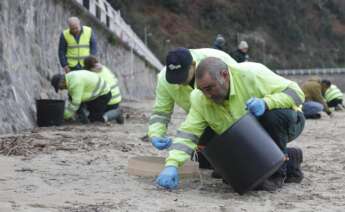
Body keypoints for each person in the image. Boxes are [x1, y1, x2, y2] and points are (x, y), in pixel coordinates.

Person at [155, 57, 305, 191]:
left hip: (285, 122)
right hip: (244, 137)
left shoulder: (252, 74)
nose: (207, 95)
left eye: (210, 88)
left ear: (224, 76)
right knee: (225, 171)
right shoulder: (199, 98)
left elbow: (296, 93)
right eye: (202, 90)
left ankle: (277, 173)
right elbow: (189, 132)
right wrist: (171, 165)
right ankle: (290, 158)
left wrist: (266, 103)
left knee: (273, 116)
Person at [148, 48, 237, 170]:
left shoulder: (215, 65)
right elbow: (161, 111)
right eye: (174, 79)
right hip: (201, 118)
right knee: (202, 163)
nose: (179, 83)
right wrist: (155, 133)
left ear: (193, 65)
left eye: (182, 77)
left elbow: (237, 93)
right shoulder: (164, 80)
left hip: (231, 113)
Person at [51, 70, 115, 123]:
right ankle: (83, 117)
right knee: (72, 97)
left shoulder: (75, 83)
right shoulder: (69, 77)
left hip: (102, 95)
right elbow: (73, 99)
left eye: (59, 87)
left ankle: (117, 113)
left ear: (61, 82)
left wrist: (63, 116)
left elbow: (75, 103)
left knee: (96, 119)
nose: (60, 89)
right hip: (94, 93)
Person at [84, 56, 124, 124]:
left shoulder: (94, 75)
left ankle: (116, 113)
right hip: (116, 99)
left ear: (91, 68)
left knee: (97, 118)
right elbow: (115, 80)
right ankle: (114, 113)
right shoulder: (105, 68)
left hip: (109, 101)